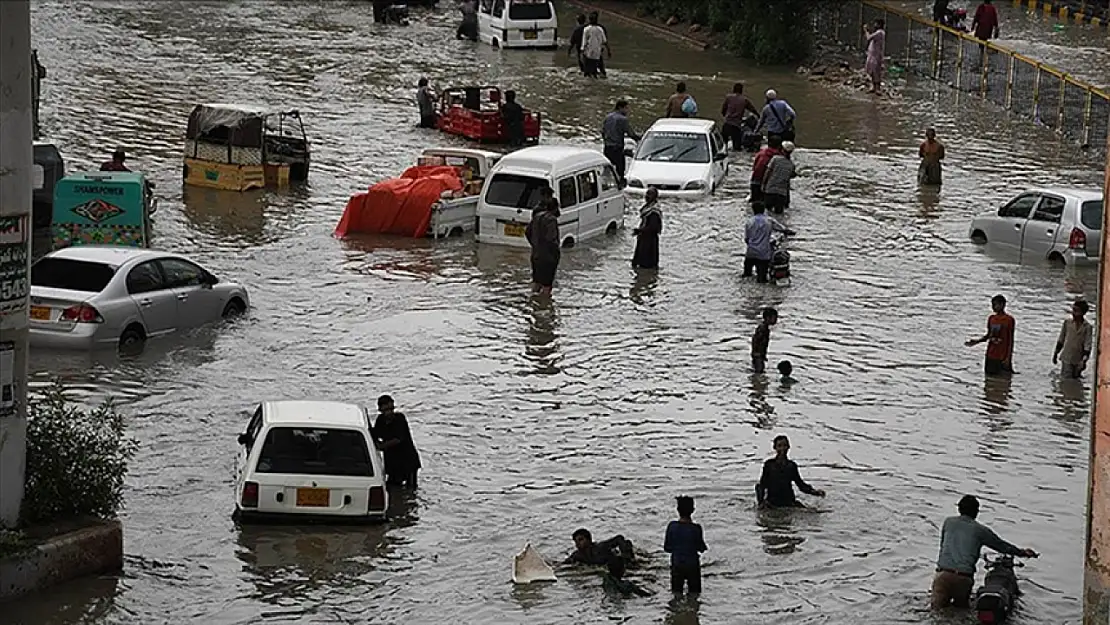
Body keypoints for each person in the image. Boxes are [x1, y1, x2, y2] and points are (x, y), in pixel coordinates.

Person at [932, 495, 1038, 609]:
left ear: (959, 509)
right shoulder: (980, 530)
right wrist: (1022, 552)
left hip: (942, 576)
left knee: (936, 612)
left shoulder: (948, 522)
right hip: (963, 578)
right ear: (976, 512)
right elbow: (1001, 546)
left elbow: (943, 546)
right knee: (960, 612)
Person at [756, 435, 826, 508]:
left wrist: (814, 492)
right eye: (779, 446)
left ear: (789, 447)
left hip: (789, 502)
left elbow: (801, 485)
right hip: (772, 503)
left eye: (785, 445)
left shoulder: (791, 466)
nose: (782, 448)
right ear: (775, 448)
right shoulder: (769, 465)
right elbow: (761, 485)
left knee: (814, 512)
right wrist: (761, 503)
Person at [373, 395, 422, 488]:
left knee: (410, 488)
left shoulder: (400, 419)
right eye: (385, 410)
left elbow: (398, 439)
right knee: (392, 486)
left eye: (390, 409)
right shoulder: (380, 420)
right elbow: (376, 434)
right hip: (392, 462)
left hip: (407, 461)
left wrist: (381, 446)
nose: (388, 413)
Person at [664, 496, 707, 596]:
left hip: (677, 564)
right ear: (693, 510)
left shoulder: (672, 526)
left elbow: (667, 548)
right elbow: (701, 548)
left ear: (677, 510)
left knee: (676, 593)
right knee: (694, 594)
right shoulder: (696, 528)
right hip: (693, 565)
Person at [966, 294, 1015, 376]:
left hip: (1002, 356)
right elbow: (989, 335)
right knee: (989, 379)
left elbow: (1010, 340)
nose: (993, 307)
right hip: (990, 354)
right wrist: (976, 341)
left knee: (1004, 380)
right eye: (992, 305)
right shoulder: (991, 318)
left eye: (995, 305)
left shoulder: (1009, 320)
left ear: (1003, 305)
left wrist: (1008, 358)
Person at [525, 186, 561, 295]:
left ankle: (534, 303)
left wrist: (535, 245)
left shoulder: (536, 215)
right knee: (547, 285)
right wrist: (556, 254)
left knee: (537, 283)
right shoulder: (551, 220)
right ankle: (545, 306)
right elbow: (551, 239)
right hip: (548, 258)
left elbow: (527, 232)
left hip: (536, 255)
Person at [744, 203, 790, 285]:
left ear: (753, 210)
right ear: (764, 210)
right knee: (762, 280)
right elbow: (782, 229)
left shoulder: (749, 222)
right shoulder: (769, 221)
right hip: (763, 254)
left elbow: (747, 239)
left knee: (747, 276)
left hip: (750, 252)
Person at [602, 100, 640, 186]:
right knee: (620, 170)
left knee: (607, 169)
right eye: (626, 108)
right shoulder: (622, 119)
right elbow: (631, 134)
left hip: (607, 147)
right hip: (617, 148)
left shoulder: (608, 117)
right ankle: (620, 186)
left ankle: (605, 185)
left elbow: (603, 132)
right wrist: (640, 139)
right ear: (620, 108)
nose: (628, 111)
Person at [1053, 300, 1093, 379]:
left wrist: (1084, 360)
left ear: (1083, 313)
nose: (1073, 313)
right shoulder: (1067, 323)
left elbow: (1087, 345)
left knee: (1076, 378)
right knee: (1066, 378)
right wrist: (1055, 353)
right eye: (1073, 310)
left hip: (1078, 359)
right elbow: (1061, 339)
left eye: (1076, 311)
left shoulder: (1087, 327)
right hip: (1067, 357)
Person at [564, 528, 636, 566]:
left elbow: (619, 538)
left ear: (589, 540)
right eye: (576, 541)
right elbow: (564, 564)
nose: (578, 544)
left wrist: (627, 556)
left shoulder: (600, 547)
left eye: (581, 540)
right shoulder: (577, 555)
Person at [761, 141, 797, 214]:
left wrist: (763, 184)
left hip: (770, 189)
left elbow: (767, 172)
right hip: (782, 193)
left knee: (767, 212)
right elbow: (788, 180)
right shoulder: (791, 165)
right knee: (779, 214)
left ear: (782, 150)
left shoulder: (775, 159)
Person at [721, 82, 758, 151]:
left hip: (727, 124)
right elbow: (752, 109)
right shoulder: (744, 100)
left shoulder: (728, 97)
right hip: (736, 126)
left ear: (733, 89)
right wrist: (758, 116)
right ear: (741, 90)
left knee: (723, 145)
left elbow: (723, 110)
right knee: (737, 147)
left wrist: (725, 116)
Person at [632, 187, 662, 270]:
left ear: (655, 197)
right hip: (643, 238)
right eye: (647, 194)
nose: (647, 196)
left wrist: (639, 230)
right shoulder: (647, 207)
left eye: (649, 194)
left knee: (647, 265)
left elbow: (653, 228)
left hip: (649, 241)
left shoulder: (654, 211)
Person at [749, 135, 783, 204]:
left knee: (755, 203)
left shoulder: (761, 153)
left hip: (756, 181)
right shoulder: (780, 157)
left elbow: (754, 167)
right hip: (770, 185)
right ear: (779, 146)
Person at [750, 307, 779, 374]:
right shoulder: (763, 328)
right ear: (768, 318)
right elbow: (755, 340)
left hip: (759, 354)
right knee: (759, 371)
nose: (776, 320)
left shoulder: (765, 328)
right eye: (774, 318)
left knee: (759, 370)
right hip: (758, 354)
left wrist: (763, 354)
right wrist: (756, 353)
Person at [580, 12, 607, 79]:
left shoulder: (586, 29)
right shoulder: (600, 29)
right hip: (597, 54)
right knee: (594, 71)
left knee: (587, 72)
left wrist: (582, 51)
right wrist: (608, 51)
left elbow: (584, 42)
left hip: (588, 53)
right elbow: (604, 41)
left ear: (589, 20)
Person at [864, 19, 886, 94]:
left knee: (876, 71)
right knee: (872, 70)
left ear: (879, 25)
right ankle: (873, 87)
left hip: (876, 55)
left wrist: (866, 31)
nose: (874, 25)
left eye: (876, 24)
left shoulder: (880, 32)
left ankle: (877, 88)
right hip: (873, 54)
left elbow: (869, 38)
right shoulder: (878, 33)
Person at [589, 11, 611, 77]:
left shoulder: (587, 28)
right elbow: (605, 41)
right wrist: (608, 50)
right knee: (600, 68)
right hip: (598, 51)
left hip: (590, 52)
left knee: (591, 70)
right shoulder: (601, 28)